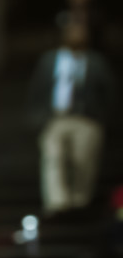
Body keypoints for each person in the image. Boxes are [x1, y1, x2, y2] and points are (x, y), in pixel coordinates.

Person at [29, 17, 114, 214]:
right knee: (52, 157)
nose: (76, 34)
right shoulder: (49, 60)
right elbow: (36, 90)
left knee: (82, 160)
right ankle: (57, 203)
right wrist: (38, 118)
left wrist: (101, 118)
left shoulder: (96, 61)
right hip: (55, 118)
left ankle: (79, 202)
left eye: (81, 31)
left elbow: (109, 93)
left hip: (86, 118)